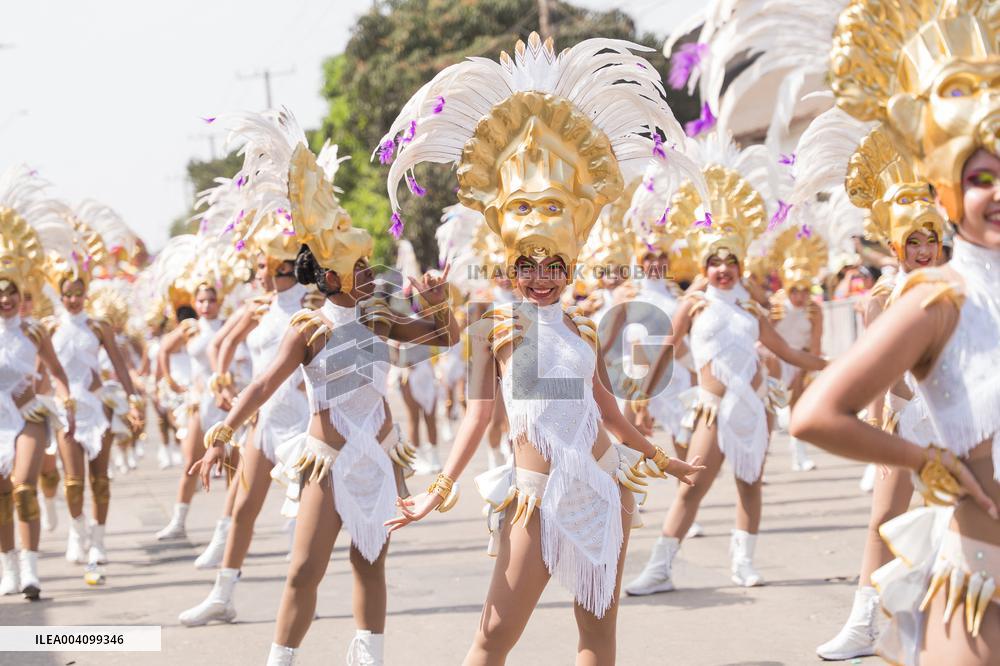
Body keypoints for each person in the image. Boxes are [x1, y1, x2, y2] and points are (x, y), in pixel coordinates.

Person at [379, 33, 705, 665]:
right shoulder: (496, 328)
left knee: (598, 638)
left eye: (553, 265)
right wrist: (438, 489)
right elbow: (476, 416)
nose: (541, 276)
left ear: (569, 265)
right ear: (513, 264)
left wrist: (660, 459)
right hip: (533, 495)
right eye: (529, 265)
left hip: (601, 490)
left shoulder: (582, 328)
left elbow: (608, 410)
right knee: (493, 637)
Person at [194, 108, 450, 666]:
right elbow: (262, 385)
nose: (369, 272)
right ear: (330, 277)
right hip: (328, 459)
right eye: (359, 267)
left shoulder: (380, 315)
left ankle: (370, 658)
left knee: (369, 563)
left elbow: (442, 338)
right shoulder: (308, 328)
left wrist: (439, 300)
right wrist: (224, 430)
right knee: (303, 569)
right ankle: (279, 659)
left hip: (380, 457)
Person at [791, 1, 1000, 663]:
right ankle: (866, 617)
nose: (997, 192)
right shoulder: (938, 297)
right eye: (980, 178)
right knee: (884, 518)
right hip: (982, 586)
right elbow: (817, 414)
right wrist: (928, 463)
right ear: (946, 189)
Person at [625, 130, 827, 596]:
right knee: (691, 485)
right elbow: (665, 354)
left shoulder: (753, 310)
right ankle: (660, 568)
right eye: (714, 261)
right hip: (712, 409)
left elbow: (791, 354)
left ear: (740, 263)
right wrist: (642, 402)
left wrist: (836, 362)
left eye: (729, 261)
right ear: (704, 264)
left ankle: (744, 562)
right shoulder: (693, 305)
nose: (722, 269)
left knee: (749, 485)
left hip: (754, 407)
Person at [0, 169, 76, 599]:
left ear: (21, 291)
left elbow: (61, 377)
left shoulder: (34, 331)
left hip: (28, 415)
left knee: (23, 485)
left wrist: (66, 405)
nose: (5, 297)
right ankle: (8, 567)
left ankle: (31, 570)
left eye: (11, 290)